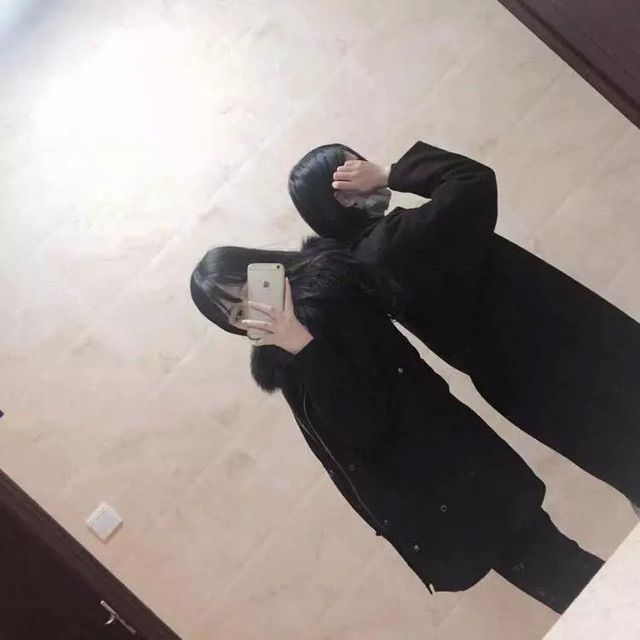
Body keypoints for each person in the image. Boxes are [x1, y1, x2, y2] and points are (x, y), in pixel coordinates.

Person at [190, 239, 603, 613]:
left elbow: (362, 424)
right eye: (236, 312)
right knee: (564, 581)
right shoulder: (290, 346)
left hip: (461, 480)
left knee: (568, 581)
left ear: (266, 270)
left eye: (248, 289)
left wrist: (303, 346)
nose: (252, 310)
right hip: (445, 489)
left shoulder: (327, 309)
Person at [288, 142, 640, 511]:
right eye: (357, 168)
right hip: (563, 354)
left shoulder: (367, 261)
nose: (368, 169)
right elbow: (472, 180)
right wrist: (390, 173)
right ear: (344, 196)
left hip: (525, 379)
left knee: (621, 458)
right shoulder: (393, 243)